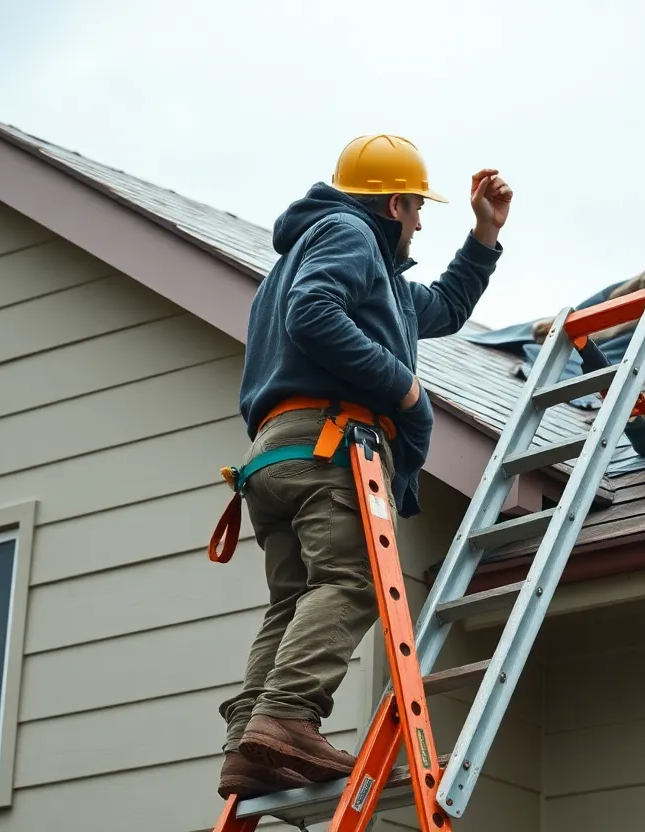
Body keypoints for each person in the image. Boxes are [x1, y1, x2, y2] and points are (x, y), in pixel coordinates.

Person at [215, 134, 512, 799]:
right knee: (351, 582)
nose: (420, 223)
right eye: (417, 210)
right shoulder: (348, 235)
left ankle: (247, 749)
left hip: (276, 454)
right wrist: (403, 390)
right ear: (395, 203)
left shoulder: (345, 263)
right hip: (327, 443)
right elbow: (314, 314)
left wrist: (484, 236)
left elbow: (445, 306)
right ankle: (289, 717)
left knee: (292, 602)